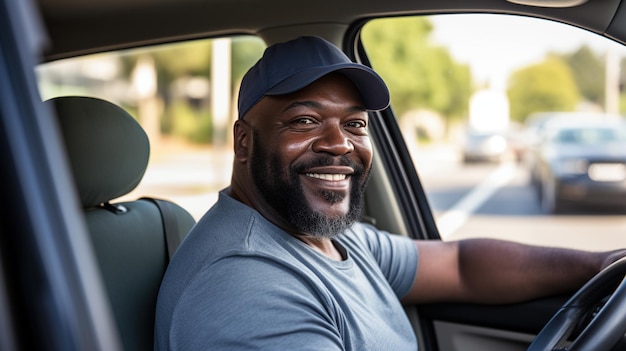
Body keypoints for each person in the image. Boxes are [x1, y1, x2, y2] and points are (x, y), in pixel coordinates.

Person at [155, 36, 626, 350]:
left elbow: (459, 266)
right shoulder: (244, 288)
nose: (339, 143)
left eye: (355, 124)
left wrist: (600, 265)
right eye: (304, 121)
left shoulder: (329, 237)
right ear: (244, 142)